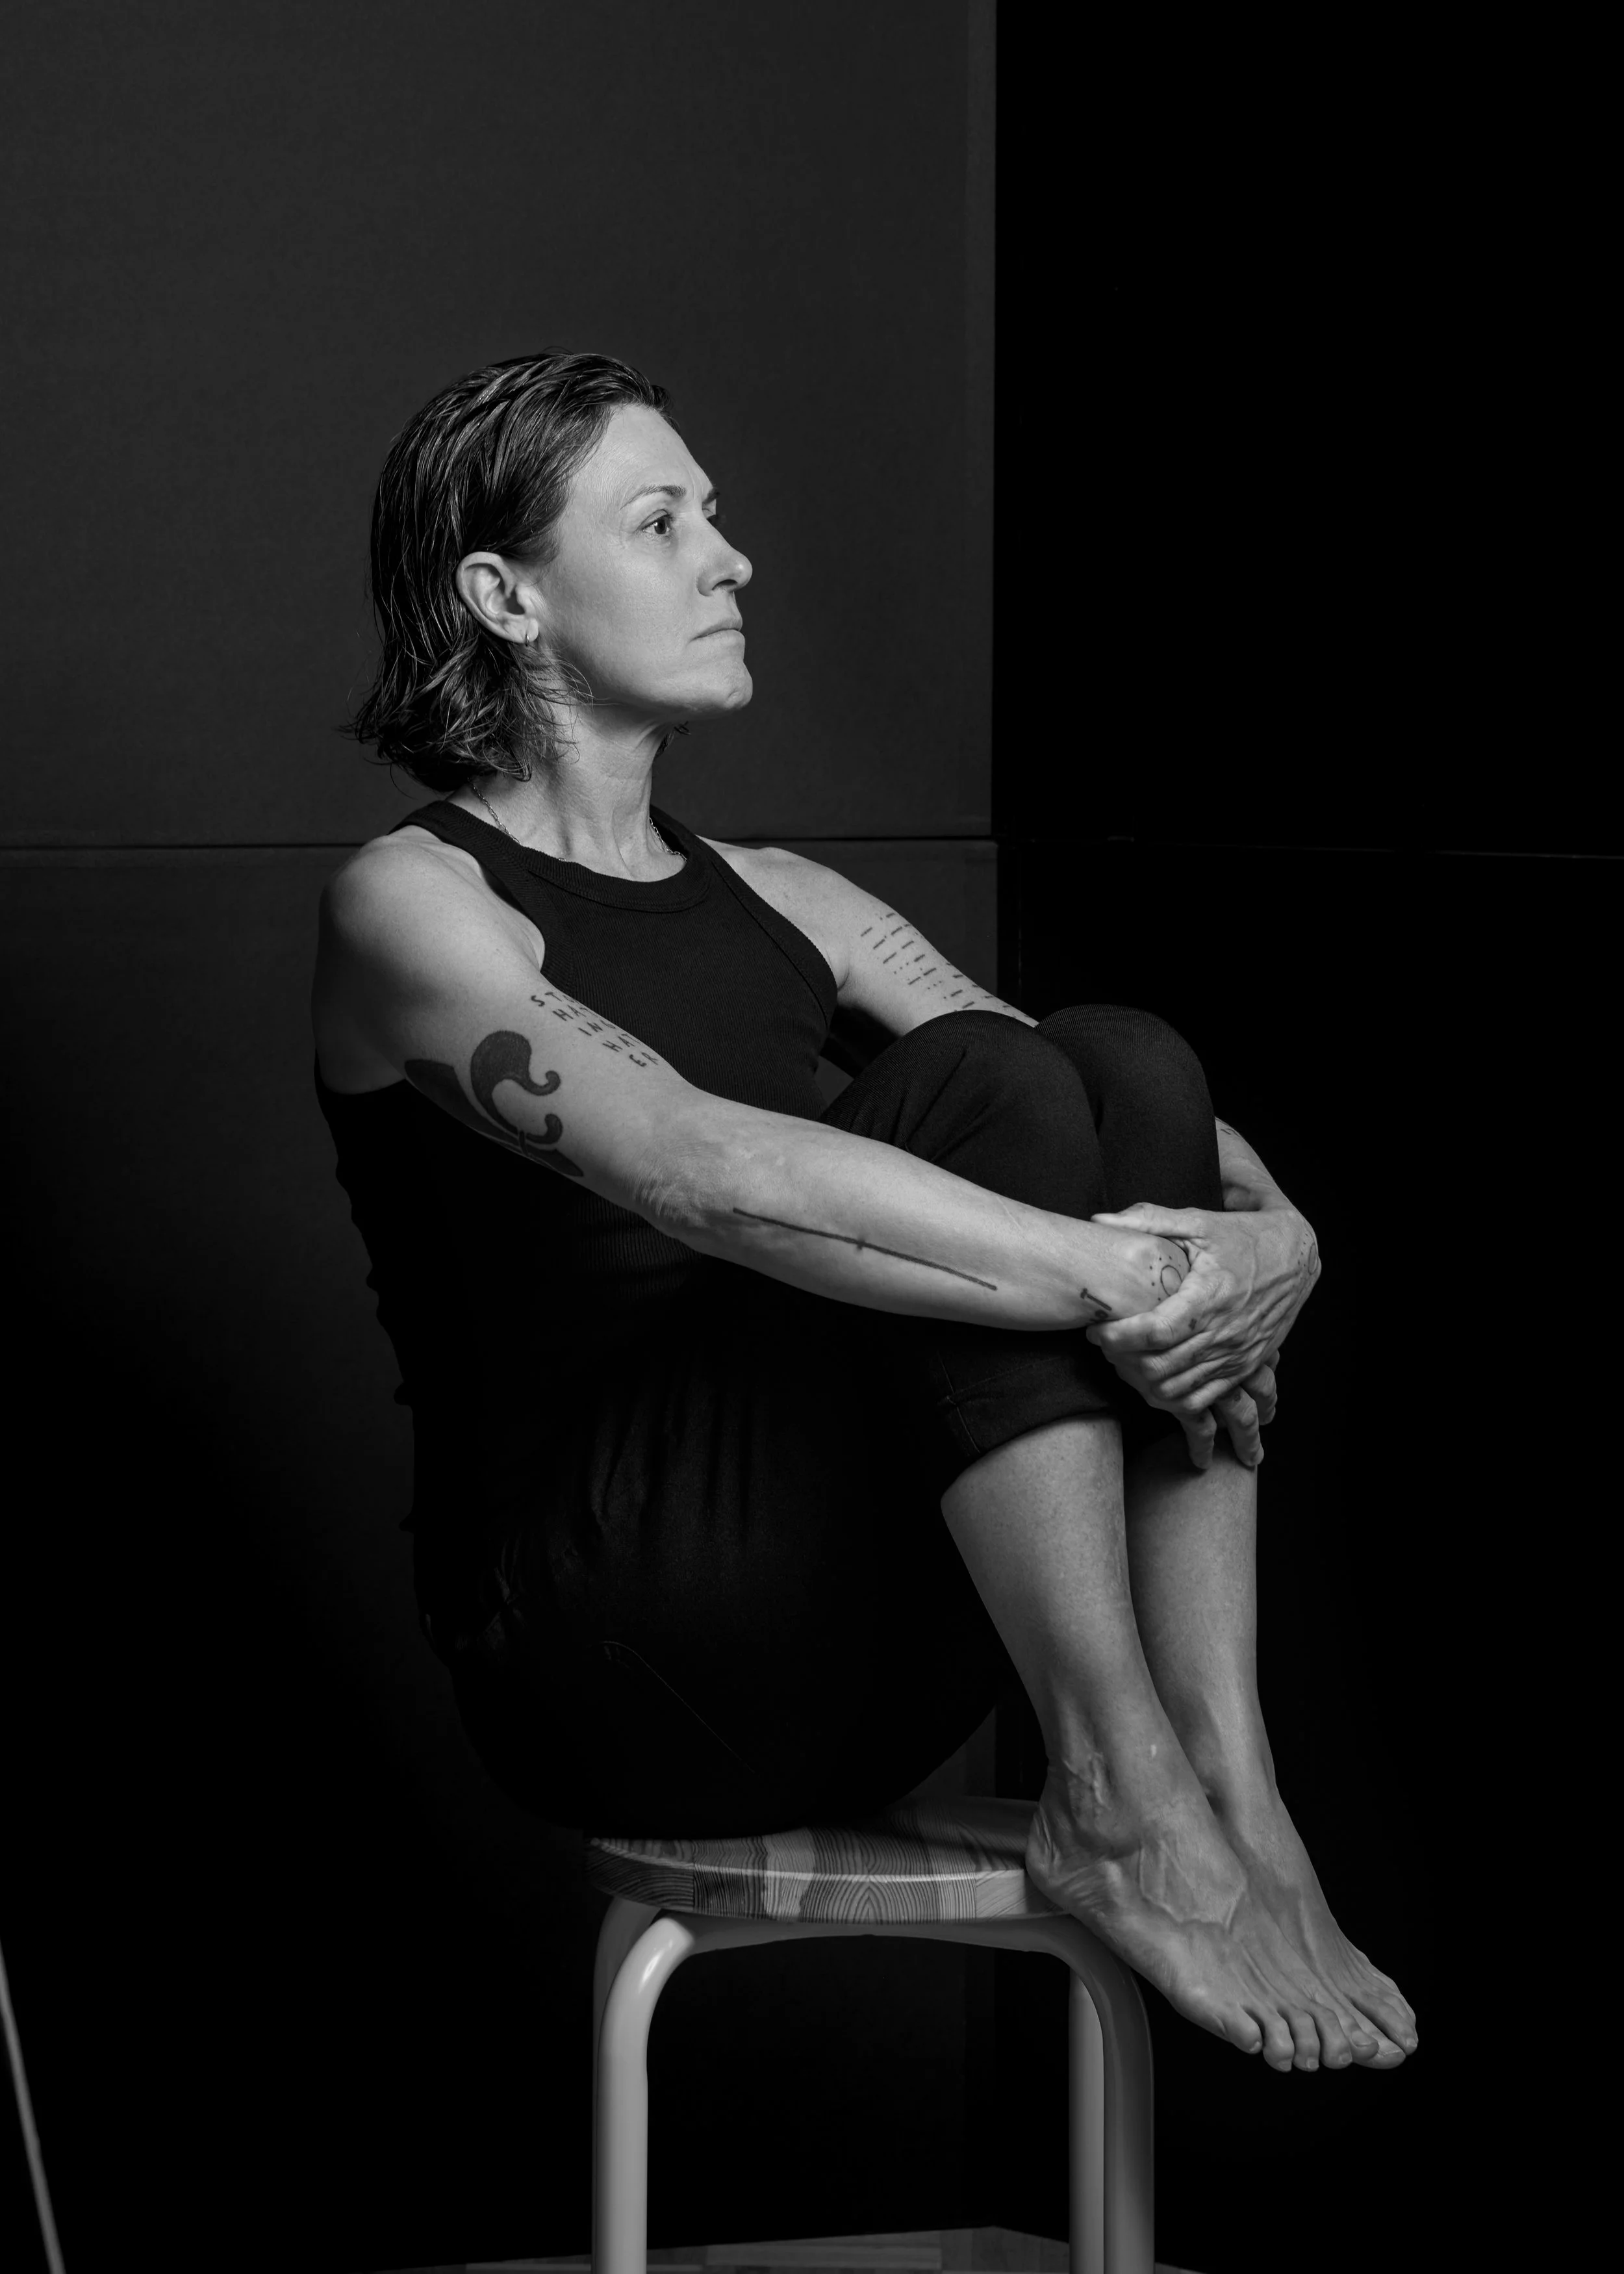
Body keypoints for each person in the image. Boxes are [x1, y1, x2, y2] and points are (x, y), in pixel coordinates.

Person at [311, 350, 1415, 2078]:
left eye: (716, 516)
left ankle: (1221, 1777)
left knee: (1110, 1060)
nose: (728, 556)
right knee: (990, 1091)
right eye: (662, 520)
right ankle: (1119, 1791)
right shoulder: (413, 902)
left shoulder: (786, 897)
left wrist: (1279, 1251)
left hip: (860, 1633)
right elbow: (698, 1166)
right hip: (618, 1644)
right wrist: (1135, 1280)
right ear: (503, 593)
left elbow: (1157, 1126)